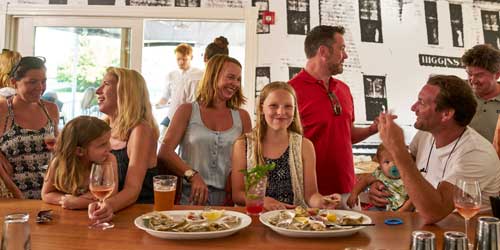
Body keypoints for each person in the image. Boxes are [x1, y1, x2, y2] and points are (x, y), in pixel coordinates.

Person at [370, 75, 500, 224]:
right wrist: (381, 182)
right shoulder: (426, 134)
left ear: (446, 114)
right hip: (427, 229)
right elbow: (405, 171)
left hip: (464, 236)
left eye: (421, 102)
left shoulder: (476, 153)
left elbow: (434, 212)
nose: (413, 108)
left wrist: (397, 148)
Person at [289, 25, 381, 198]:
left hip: (347, 190)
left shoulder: (344, 89)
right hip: (308, 193)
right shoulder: (289, 92)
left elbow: (348, 135)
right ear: (323, 52)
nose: (345, 55)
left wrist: (372, 129)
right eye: (342, 49)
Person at [158, 54, 252, 206]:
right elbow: (164, 152)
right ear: (213, 76)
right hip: (189, 199)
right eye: (230, 77)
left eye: (238, 79)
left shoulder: (243, 117)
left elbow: (249, 160)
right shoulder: (186, 110)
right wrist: (192, 175)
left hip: (227, 202)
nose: (235, 83)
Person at [232, 82, 341, 211]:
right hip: (256, 220)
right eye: (273, 106)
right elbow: (237, 195)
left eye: (288, 106)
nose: (281, 112)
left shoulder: (304, 146)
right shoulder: (243, 144)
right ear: (261, 109)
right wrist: (260, 200)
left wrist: (322, 202)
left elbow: (311, 195)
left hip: (293, 224)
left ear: (295, 110)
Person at [88, 67, 159, 224]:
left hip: (137, 218)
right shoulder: (103, 128)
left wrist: (107, 206)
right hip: (109, 216)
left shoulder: (140, 130)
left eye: (106, 84)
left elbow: (133, 190)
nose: (98, 91)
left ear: (125, 92)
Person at [0, 56, 59, 199]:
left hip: (49, 194)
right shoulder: (3, 110)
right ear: (14, 83)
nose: (40, 87)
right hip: (11, 194)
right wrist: (17, 195)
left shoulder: (51, 109)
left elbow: (57, 152)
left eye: (43, 81)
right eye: (32, 82)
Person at [41, 116, 118, 210]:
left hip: (97, 216)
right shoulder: (58, 163)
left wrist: (79, 202)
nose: (110, 148)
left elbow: (110, 195)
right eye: (102, 144)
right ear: (79, 151)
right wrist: (66, 201)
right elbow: (46, 194)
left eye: (108, 142)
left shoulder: (108, 160)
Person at [166, 36, 229, 122]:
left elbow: (174, 113)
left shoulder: (190, 79)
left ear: (205, 57)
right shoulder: (233, 84)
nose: (181, 62)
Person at [347, 144, 412, 212]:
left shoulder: (409, 176)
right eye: (387, 162)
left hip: (403, 209)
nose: (393, 165)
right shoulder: (379, 174)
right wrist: (354, 194)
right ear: (380, 164)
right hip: (380, 207)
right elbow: (364, 181)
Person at [156, 43, 203, 127]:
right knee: (163, 138)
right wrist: (156, 105)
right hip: (172, 117)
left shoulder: (200, 75)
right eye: (178, 59)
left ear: (191, 58)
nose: (181, 62)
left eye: (184, 59)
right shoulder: (171, 75)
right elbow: (165, 97)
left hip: (192, 119)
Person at [461, 44, 500, 142]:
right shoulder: (458, 94)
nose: (472, 80)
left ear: (497, 75)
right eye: (469, 74)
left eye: (479, 75)